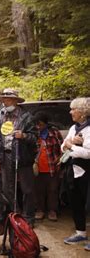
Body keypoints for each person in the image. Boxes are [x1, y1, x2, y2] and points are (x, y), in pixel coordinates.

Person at [0, 89, 37, 226]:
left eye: (9, 99)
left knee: (27, 189)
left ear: (16, 101)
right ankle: (14, 215)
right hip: (5, 155)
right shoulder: (2, 116)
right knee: (7, 188)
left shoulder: (26, 116)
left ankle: (28, 218)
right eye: (4, 99)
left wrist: (23, 136)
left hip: (22, 156)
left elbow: (35, 138)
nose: (5, 102)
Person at [61, 97, 90, 251]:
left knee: (88, 205)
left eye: (73, 109)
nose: (70, 111)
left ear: (82, 112)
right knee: (76, 202)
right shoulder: (73, 128)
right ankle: (80, 233)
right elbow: (63, 146)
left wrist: (71, 146)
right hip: (73, 171)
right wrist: (69, 144)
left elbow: (88, 153)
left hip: (87, 172)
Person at [33, 112, 63, 222]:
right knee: (38, 190)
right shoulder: (34, 133)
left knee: (53, 190)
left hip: (52, 167)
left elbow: (63, 147)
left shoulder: (54, 133)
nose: (38, 127)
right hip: (37, 168)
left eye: (40, 124)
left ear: (46, 124)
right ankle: (40, 210)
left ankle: (52, 211)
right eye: (36, 124)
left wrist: (60, 159)